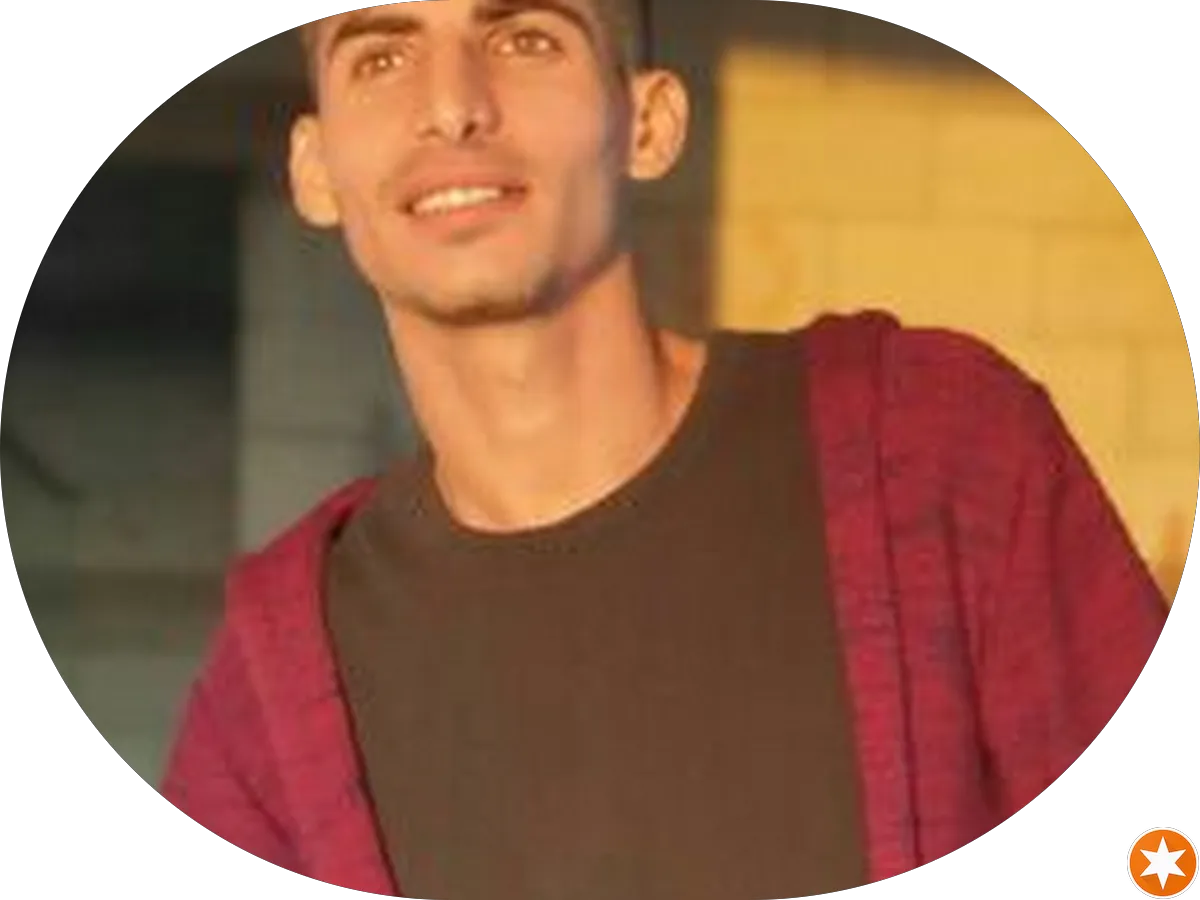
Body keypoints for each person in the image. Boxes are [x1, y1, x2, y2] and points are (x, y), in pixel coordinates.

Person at [159, 2, 1170, 898]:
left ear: (647, 123)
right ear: (315, 168)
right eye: (381, 57)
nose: (453, 105)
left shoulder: (943, 448)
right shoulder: (275, 682)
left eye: (525, 38)